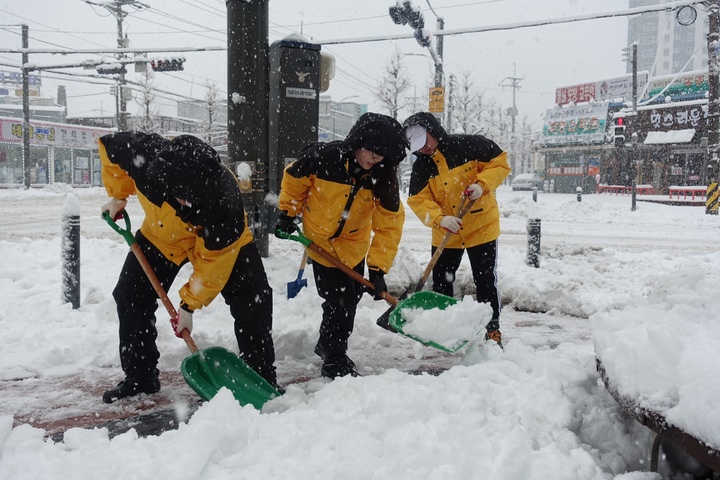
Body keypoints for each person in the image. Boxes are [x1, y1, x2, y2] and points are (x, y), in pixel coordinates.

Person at [99, 132, 278, 403]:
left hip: (220, 242)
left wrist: (188, 306)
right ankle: (140, 377)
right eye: (186, 199)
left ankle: (260, 375)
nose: (190, 206)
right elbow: (107, 146)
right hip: (163, 236)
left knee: (254, 298)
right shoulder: (143, 158)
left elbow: (213, 266)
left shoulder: (224, 203)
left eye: (196, 201)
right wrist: (118, 195)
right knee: (130, 295)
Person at [274, 112, 406, 378]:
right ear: (358, 141)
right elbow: (294, 180)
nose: (374, 159)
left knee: (349, 299)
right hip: (320, 242)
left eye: (381, 156)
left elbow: (389, 225)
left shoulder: (383, 178)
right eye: (371, 151)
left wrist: (378, 270)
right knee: (339, 300)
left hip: (353, 246)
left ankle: (329, 345)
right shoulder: (324, 158)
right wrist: (287, 213)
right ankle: (333, 355)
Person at [403, 112, 511, 347]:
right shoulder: (422, 167)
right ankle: (444, 328)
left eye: (425, 143)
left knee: (485, 281)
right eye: (417, 147)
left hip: (481, 226)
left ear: (433, 130)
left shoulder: (469, 145)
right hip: (446, 231)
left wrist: (481, 185)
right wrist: (440, 219)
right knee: (441, 282)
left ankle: (492, 331)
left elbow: (501, 162)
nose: (423, 150)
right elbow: (418, 200)